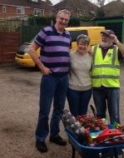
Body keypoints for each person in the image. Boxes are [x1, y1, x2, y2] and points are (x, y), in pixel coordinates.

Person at [29, 9, 71, 153]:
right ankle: (40, 138)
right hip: (50, 77)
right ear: (56, 18)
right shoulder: (46, 31)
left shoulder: (68, 34)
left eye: (66, 19)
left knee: (59, 109)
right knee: (45, 110)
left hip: (64, 77)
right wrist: (41, 67)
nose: (63, 21)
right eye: (61, 18)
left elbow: (65, 53)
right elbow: (31, 49)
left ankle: (54, 135)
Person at [91, 30, 124, 124]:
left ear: (112, 38)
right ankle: (102, 134)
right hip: (97, 87)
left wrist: (117, 41)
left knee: (114, 114)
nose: (104, 38)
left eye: (107, 36)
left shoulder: (117, 49)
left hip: (112, 87)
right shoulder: (94, 49)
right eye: (103, 36)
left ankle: (115, 135)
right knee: (100, 115)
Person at [67, 34, 92, 117]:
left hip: (87, 89)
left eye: (85, 44)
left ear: (88, 45)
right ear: (77, 44)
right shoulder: (70, 55)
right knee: (74, 113)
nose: (83, 46)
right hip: (73, 89)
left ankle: (81, 129)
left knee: (83, 113)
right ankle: (74, 129)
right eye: (81, 44)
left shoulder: (91, 56)